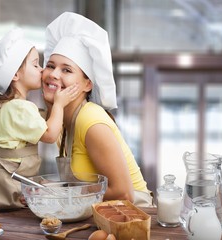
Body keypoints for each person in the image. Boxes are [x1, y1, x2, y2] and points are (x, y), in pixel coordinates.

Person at [0, 28, 79, 210]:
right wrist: (59, 104)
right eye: (36, 65)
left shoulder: (8, 105)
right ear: (15, 75)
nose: (42, 70)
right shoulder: (19, 107)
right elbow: (50, 135)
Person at [42, 12, 153, 207]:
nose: (53, 74)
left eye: (66, 70)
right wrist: (49, 188)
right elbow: (85, 184)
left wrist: (60, 195)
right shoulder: (60, 121)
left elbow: (123, 193)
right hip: (97, 213)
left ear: (87, 85)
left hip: (132, 216)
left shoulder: (91, 120)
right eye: (50, 66)